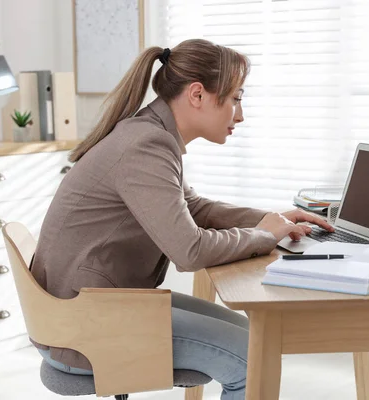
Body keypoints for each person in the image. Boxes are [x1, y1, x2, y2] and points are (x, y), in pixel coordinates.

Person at [30, 39, 334, 400]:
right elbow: (189, 251)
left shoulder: (149, 134)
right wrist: (264, 236)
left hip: (89, 307)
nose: (240, 114)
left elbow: (194, 208)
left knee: (255, 339)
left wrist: (271, 218)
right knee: (252, 358)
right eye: (236, 98)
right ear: (197, 95)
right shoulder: (146, 145)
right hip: (83, 324)